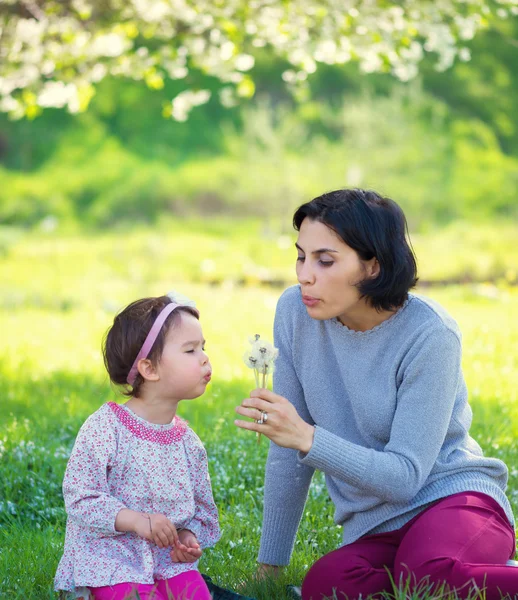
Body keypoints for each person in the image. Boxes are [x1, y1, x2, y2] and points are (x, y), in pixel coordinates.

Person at [235, 189, 517, 600]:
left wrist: (307, 437)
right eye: (301, 256)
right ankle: (476, 575)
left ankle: (460, 568)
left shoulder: (430, 334)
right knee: (325, 585)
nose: (304, 275)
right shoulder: (296, 312)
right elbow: (286, 454)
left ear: (373, 266)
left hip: (452, 500)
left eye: (325, 260)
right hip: (376, 525)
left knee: (428, 576)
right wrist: (269, 567)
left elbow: (405, 477)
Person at [55, 292, 220, 600]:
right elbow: (80, 496)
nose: (205, 358)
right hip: (109, 558)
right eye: (190, 350)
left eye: (203, 347)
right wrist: (137, 521)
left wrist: (187, 535)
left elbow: (201, 509)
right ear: (149, 369)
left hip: (167, 561)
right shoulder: (106, 427)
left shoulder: (189, 443)